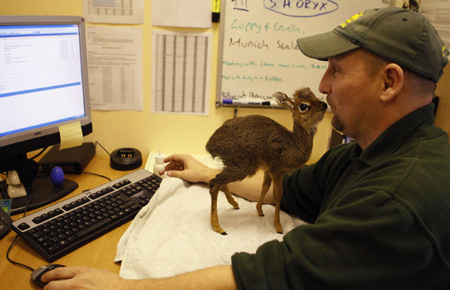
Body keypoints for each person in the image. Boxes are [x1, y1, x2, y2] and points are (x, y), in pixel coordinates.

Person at [42, 7, 450, 289]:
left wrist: (125, 288)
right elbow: (286, 189)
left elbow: (271, 274)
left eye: (337, 70)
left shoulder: (395, 201)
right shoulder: (364, 154)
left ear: (389, 83)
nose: (324, 86)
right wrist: (206, 174)